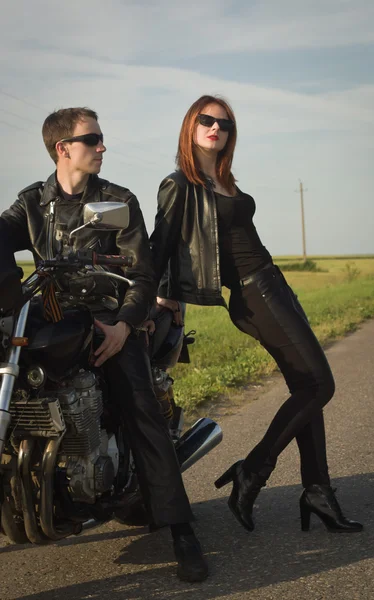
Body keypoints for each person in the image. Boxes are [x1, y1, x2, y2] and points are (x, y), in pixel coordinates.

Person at [0, 107, 208, 582]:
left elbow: (141, 273)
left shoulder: (117, 200)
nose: (101, 146)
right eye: (92, 139)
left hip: (107, 321)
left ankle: (181, 531)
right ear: (63, 149)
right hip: (49, 319)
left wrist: (124, 326)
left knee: (141, 412)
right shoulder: (32, 203)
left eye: (99, 138)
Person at [150, 95, 363, 534]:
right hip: (253, 293)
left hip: (275, 284)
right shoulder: (181, 185)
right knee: (321, 383)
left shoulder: (225, 180)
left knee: (306, 386)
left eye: (224, 124)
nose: (216, 128)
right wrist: (160, 300)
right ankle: (254, 470)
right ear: (190, 127)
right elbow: (162, 246)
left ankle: (318, 490)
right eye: (206, 121)